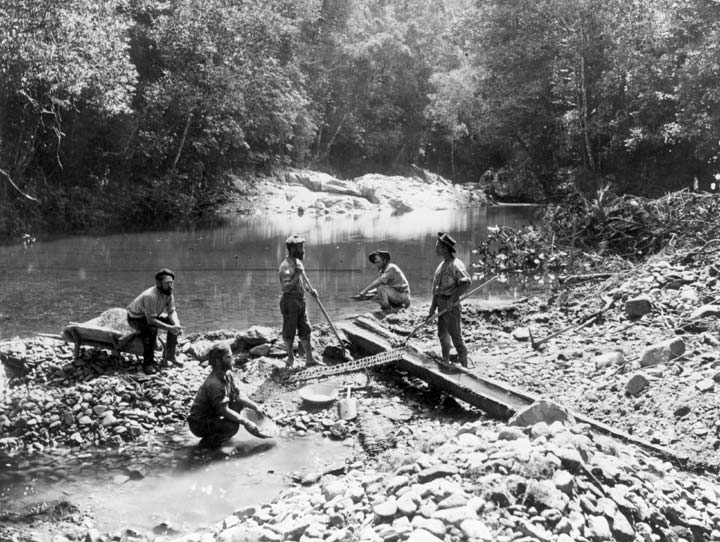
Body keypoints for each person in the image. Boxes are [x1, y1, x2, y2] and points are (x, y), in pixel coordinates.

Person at [187, 343, 263, 448]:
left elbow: (238, 395)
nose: (233, 358)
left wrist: (255, 407)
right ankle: (207, 445)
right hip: (199, 423)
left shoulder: (227, 374)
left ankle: (220, 436)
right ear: (218, 361)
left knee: (239, 405)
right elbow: (224, 411)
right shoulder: (214, 384)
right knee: (232, 426)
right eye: (228, 357)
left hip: (213, 414)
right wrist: (246, 422)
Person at [126, 268, 184, 375]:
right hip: (136, 318)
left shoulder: (169, 292)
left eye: (171, 283)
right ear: (158, 283)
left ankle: (170, 356)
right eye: (167, 283)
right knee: (151, 330)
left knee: (172, 323)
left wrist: (176, 325)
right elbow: (151, 320)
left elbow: (171, 312)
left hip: (151, 314)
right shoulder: (151, 296)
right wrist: (169, 328)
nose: (170, 286)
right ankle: (148, 364)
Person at [428, 232, 472, 367]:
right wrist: (432, 309)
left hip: (451, 306)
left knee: (455, 335)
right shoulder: (441, 266)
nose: (436, 249)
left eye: (438, 246)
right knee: (442, 334)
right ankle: (445, 359)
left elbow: (466, 282)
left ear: (446, 249)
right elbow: (436, 291)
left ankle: (465, 364)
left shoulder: (456, 265)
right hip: (441, 304)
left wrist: (452, 299)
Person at [278, 234, 319, 367]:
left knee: (305, 329)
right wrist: (297, 274)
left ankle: (310, 359)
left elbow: (304, 281)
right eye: (300, 247)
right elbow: (286, 288)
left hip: (301, 301)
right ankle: (290, 359)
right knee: (289, 330)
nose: (303, 250)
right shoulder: (285, 266)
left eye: (302, 246)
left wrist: (311, 290)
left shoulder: (298, 262)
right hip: (289, 302)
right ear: (292, 249)